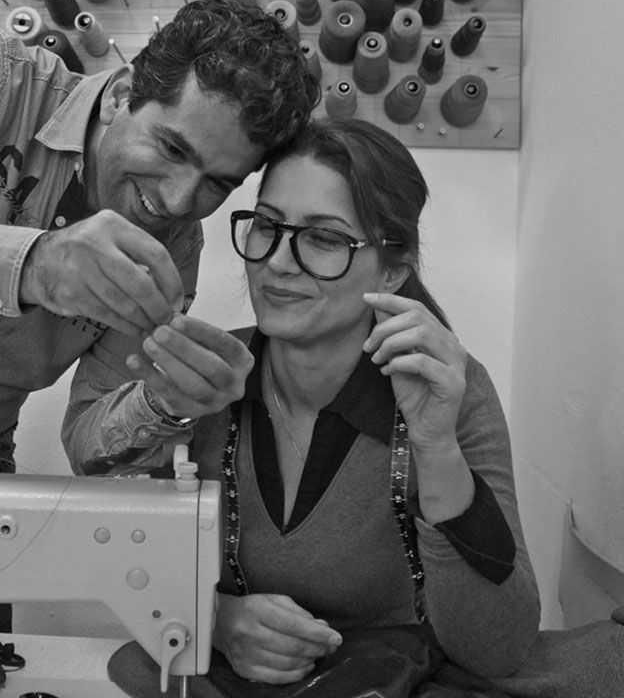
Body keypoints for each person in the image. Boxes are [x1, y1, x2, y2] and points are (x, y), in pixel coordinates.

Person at [0, 0, 319, 630]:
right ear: (122, 94)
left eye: (219, 183)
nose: (177, 201)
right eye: (171, 147)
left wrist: (162, 403)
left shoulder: (174, 255)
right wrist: (29, 264)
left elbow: (89, 442)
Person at [175, 118, 540, 685]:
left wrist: (436, 447)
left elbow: (500, 649)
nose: (277, 261)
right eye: (267, 225)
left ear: (393, 270)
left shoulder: (449, 391)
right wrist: (214, 619)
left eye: (324, 239)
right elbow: (128, 563)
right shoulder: (206, 377)